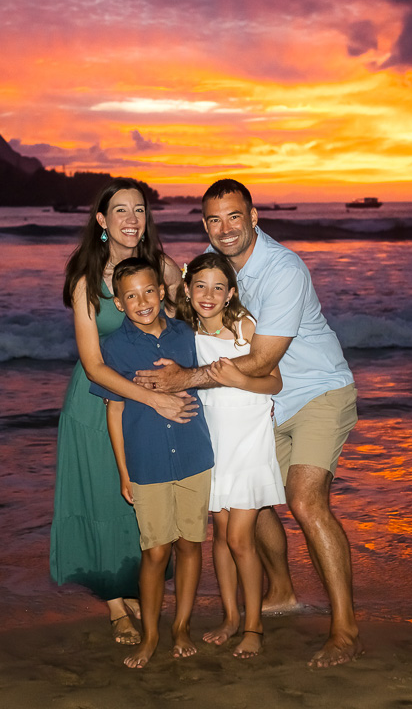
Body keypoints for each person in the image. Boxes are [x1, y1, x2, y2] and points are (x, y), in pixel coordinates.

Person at [134, 178, 361, 667]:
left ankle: (344, 627)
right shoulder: (213, 268)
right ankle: (280, 591)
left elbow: (258, 363)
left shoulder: (283, 271)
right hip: (262, 410)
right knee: (251, 502)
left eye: (235, 216)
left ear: (254, 217)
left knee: (304, 499)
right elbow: (179, 289)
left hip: (317, 391)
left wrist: (183, 380)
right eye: (214, 220)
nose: (225, 228)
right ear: (204, 224)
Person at [50, 178, 191, 646]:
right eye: (121, 211)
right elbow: (93, 363)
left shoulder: (160, 266)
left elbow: (190, 312)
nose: (132, 220)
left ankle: (133, 586)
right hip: (97, 404)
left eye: (140, 210)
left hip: (149, 403)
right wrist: (153, 397)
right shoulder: (86, 280)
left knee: (141, 498)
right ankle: (116, 605)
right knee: (104, 497)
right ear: (102, 221)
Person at [90, 257, 215, 669]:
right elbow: (114, 413)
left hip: (195, 455)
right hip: (147, 463)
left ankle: (180, 627)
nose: (142, 300)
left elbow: (211, 375)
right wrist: (125, 474)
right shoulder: (114, 348)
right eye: (131, 296)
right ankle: (151, 635)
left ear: (163, 292)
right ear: (119, 304)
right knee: (156, 552)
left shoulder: (187, 334)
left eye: (148, 291)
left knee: (191, 544)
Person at [175, 252, 285, 659]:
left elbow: (273, 382)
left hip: (248, 440)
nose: (209, 294)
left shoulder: (244, 327)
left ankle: (254, 626)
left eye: (218, 287)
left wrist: (238, 377)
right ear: (187, 289)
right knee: (219, 535)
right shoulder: (185, 331)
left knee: (240, 538)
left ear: (231, 293)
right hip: (213, 441)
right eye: (200, 285)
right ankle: (230, 616)